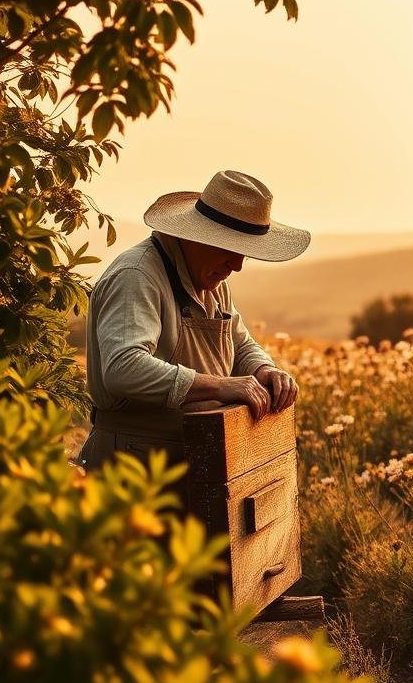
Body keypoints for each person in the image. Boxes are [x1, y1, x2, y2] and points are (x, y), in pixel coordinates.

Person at [77, 169, 310, 470]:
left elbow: (239, 343)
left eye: (245, 253)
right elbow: (123, 369)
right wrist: (219, 386)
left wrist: (264, 369)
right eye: (231, 249)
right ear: (196, 235)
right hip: (132, 464)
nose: (237, 265)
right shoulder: (136, 276)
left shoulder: (210, 279)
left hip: (191, 459)